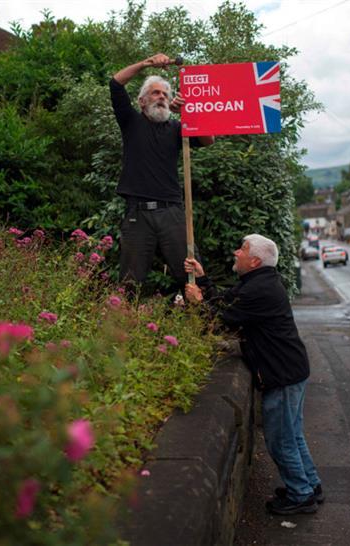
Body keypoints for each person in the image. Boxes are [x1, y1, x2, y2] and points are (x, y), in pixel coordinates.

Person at [183, 234, 323, 515]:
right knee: (293, 435)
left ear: (255, 261)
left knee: (281, 440)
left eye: (243, 249)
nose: (236, 252)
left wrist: (198, 303)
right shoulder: (258, 282)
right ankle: (310, 485)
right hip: (290, 370)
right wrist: (203, 278)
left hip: (281, 375)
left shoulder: (259, 290)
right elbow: (227, 301)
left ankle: (300, 495)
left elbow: (221, 318)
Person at [110, 54, 214, 289]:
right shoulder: (130, 121)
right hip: (137, 214)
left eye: (165, 95)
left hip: (172, 212)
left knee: (192, 275)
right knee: (129, 282)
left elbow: (208, 140)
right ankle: (124, 314)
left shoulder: (177, 128)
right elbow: (115, 83)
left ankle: (204, 311)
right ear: (142, 101)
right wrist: (145, 63)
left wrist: (189, 112)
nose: (161, 97)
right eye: (155, 93)